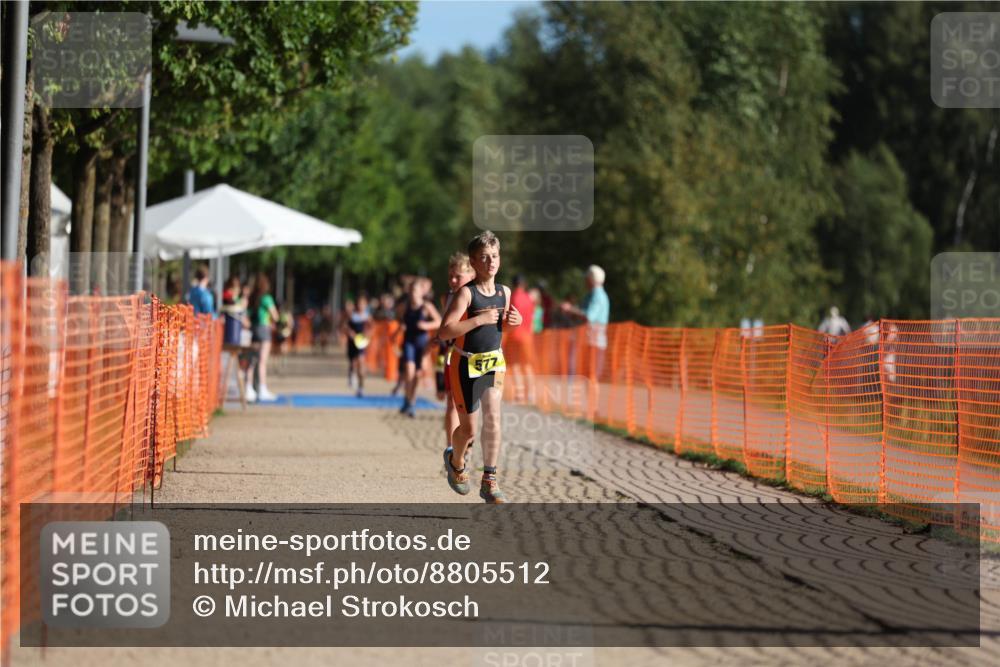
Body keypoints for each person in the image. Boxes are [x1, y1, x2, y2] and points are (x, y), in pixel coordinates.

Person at [438, 230, 522, 504]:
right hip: (465, 363)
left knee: (494, 419)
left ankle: (490, 479)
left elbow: (500, 328)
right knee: (470, 430)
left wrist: (514, 321)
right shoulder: (466, 294)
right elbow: (445, 331)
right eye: (484, 258)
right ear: (473, 263)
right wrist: (478, 320)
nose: (491, 262)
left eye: (495, 256)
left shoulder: (504, 292)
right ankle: (456, 460)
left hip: (494, 362)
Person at [434, 253, 476, 453]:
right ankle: (451, 449)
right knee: (451, 402)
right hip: (452, 353)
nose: (452, 280)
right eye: (450, 276)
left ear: (472, 274)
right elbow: (445, 327)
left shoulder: (478, 294)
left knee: (471, 404)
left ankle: (466, 437)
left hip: (476, 356)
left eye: (457, 276)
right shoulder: (447, 297)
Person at [397, 277, 442, 417]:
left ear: (421, 292)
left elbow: (439, 322)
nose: (413, 293)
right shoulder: (405, 306)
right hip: (409, 342)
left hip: (422, 343)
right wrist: (402, 325)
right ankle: (410, 403)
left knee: (417, 374)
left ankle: (409, 400)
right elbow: (399, 317)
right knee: (409, 372)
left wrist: (426, 325)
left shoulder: (426, 307)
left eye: (415, 290)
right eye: (411, 290)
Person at [561, 264, 611, 378]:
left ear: (590, 279)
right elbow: (581, 315)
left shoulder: (598, 295)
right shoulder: (591, 295)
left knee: (592, 378)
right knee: (587, 378)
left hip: (595, 343)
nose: (585, 281)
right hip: (588, 341)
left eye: (586, 278)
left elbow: (589, 317)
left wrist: (570, 309)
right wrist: (571, 312)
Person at [248, 272, 280, 402]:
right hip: (263, 329)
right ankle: (262, 388)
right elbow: (275, 315)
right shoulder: (266, 298)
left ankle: (249, 387)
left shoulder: (252, 297)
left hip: (253, 329)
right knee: (262, 361)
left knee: (252, 360)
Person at [505, 274, 537, 403]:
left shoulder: (513, 298)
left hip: (514, 335)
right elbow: (533, 319)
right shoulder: (529, 298)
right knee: (528, 365)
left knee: (515, 365)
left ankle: (519, 394)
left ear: (513, 284)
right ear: (524, 284)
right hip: (527, 336)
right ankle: (531, 394)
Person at [342, 295, 373, 397]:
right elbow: (344, 326)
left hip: (361, 343)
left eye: (363, 304)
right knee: (352, 363)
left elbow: (372, 328)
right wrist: (350, 332)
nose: (361, 305)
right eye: (359, 303)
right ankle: (351, 374)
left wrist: (368, 334)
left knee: (361, 362)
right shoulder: (352, 315)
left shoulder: (367, 316)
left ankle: (361, 387)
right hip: (352, 342)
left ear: (366, 305)